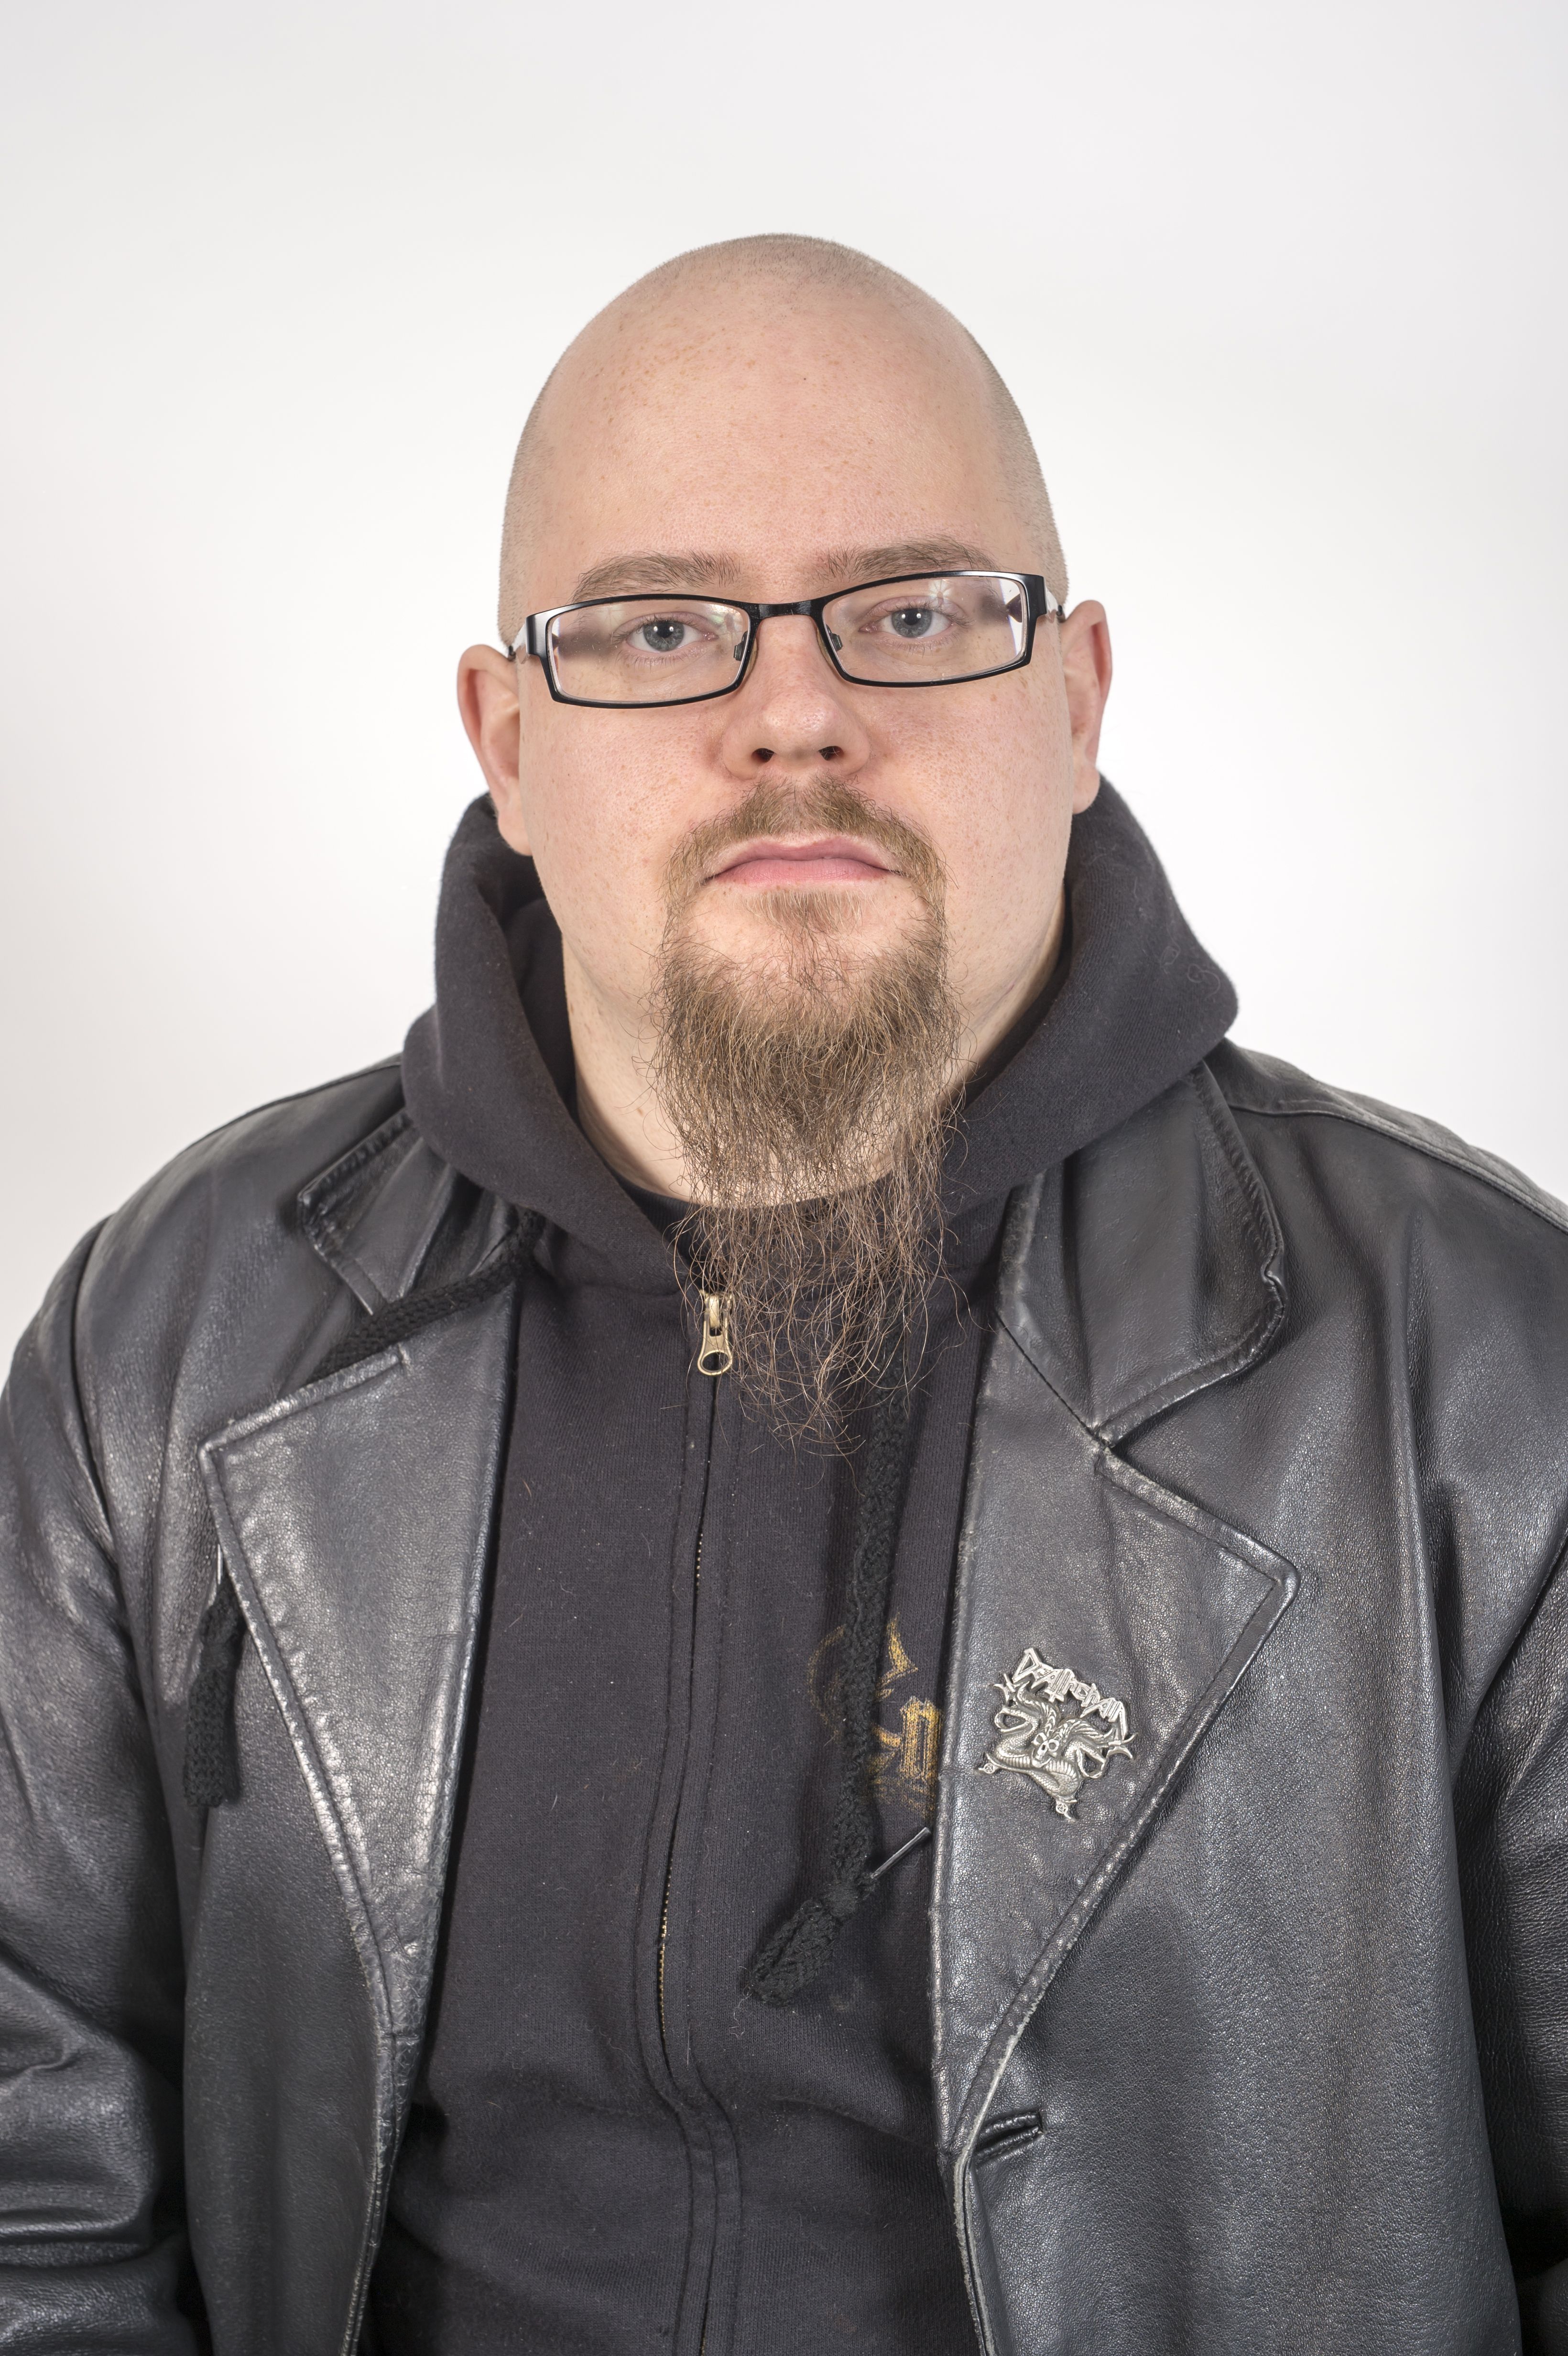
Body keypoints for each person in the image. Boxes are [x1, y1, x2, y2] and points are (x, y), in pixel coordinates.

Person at [0, 232, 1563, 2356]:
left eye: (912, 611)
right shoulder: (164, 1345)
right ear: (507, 741)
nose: (795, 715)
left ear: (1076, 698)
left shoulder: (1483, 1373)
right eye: (659, 629)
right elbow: (37, 2204)